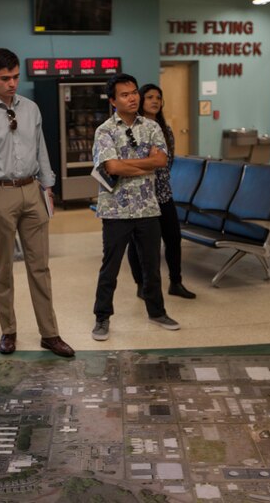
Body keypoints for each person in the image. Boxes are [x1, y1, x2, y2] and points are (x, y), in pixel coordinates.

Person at [0, 48, 74, 358]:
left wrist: (48, 186)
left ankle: (49, 333)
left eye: (15, 77)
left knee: (40, 267)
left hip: (32, 190)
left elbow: (41, 148)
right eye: (5, 78)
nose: (12, 84)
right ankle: (8, 331)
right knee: (3, 268)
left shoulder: (31, 109)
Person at [91, 73, 182, 342]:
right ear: (112, 101)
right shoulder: (105, 130)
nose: (132, 98)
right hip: (115, 210)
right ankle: (102, 317)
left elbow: (161, 161)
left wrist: (130, 165)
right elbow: (111, 167)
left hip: (148, 207)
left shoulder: (152, 127)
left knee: (151, 265)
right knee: (110, 266)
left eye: (134, 92)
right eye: (125, 94)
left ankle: (157, 312)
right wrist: (144, 162)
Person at [127, 84, 196, 300]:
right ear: (140, 100)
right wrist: (151, 162)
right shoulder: (133, 130)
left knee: (173, 239)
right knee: (139, 243)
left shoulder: (166, 130)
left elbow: (168, 161)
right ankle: (142, 284)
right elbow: (133, 162)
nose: (155, 101)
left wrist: (154, 163)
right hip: (142, 196)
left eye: (158, 97)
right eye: (149, 97)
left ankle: (176, 282)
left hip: (164, 194)